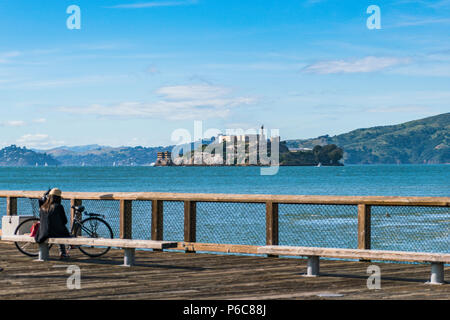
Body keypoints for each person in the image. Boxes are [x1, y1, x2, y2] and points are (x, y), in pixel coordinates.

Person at [35, 188, 71, 259]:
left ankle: (63, 253)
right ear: (59, 198)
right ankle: (63, 253)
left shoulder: (43, 206)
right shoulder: (59, 207)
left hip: (42, 233)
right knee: (61, 231)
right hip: (53, 232)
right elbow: (65, 221)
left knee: (58, 230)